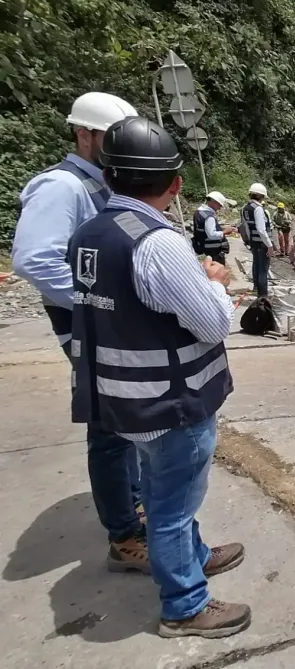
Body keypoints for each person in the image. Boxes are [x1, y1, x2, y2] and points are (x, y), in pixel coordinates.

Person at [69, 115, 249, 638]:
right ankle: (185, 605)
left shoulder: (89, 232)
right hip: (170, 402)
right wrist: (213, 281)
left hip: (121, 399)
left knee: (165, 493)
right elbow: (214, 323)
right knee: (171, 506)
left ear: (107, 175)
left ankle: (194, 557)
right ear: (174, 185)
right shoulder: (156, 242)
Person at [11, 92, 148, 569]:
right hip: (85, 323)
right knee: (110, 427)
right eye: (111, 139)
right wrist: (96, 302)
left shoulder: (102, 185)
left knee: (125, 420)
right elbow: (34, 259)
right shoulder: (61, 187)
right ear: (83, 134)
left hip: (106, 319)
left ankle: (133, 508)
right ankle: (126, 537)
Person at [241, 183, 273, 297]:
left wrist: (250, 241)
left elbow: (246, 227)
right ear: (261, 196)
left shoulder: (245, 208)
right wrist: (269, 245)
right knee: (263, 270)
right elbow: (261, 229)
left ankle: (256, 290)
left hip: (254, 243)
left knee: (256, 266)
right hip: (262, 243)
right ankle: (263, 296)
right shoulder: (258, 209)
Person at [192, 191, 236, 264]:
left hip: (203, 248)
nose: (220, 207)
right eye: (219, 205)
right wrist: (225, 231)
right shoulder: (209, 216)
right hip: (213, 252)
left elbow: (204, 229)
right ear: (214, 202)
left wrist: (221, 228)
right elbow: (212, 235)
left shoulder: (199, 212)